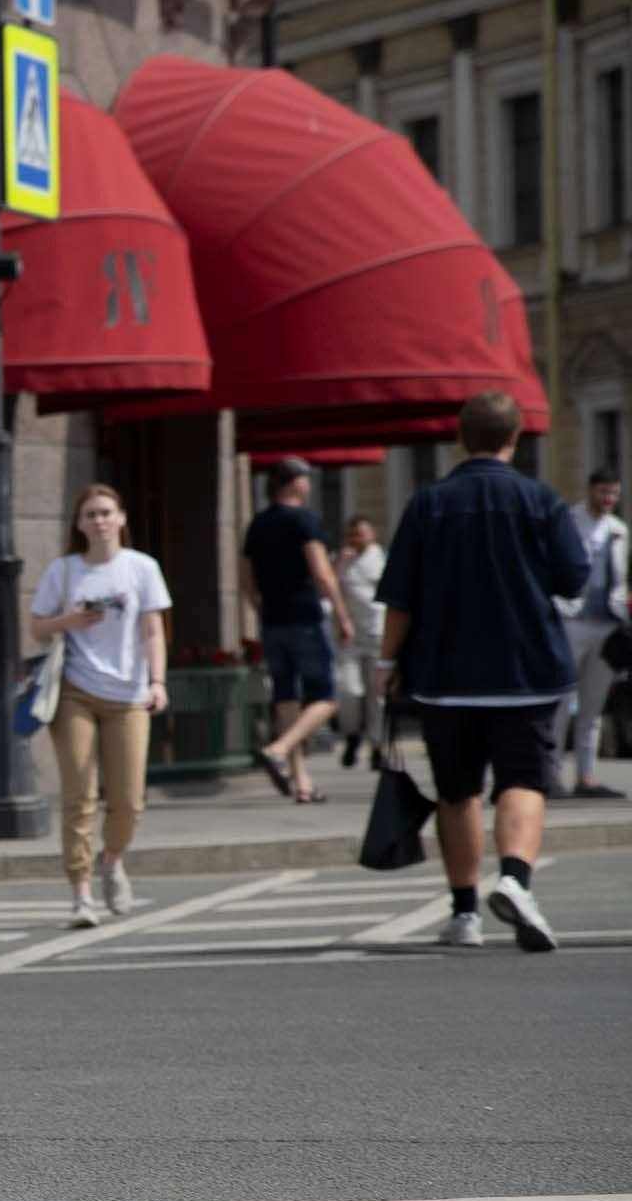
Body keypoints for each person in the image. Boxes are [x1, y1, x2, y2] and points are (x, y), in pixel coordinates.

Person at [375, 390, 590, 951]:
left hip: (445, 675)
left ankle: (465, 913)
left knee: (457, 791)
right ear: (515, 437)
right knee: (524, 780)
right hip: (527, 670)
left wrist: (386, 663)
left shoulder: (429, 503)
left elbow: (400, 598)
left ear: (460, 438)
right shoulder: (540, 499)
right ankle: (515, 880)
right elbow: (573, 578)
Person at [26, 484, 172, 928]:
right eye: (90, 514)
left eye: (107, 512)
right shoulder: (64, 570)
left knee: (128, 800)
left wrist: (158, 682)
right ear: (79, 524)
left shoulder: (141, 568)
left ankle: (112, 860)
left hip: (129, 696)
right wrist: (68, 621)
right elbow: (36, 627)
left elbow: (152, 630)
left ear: (121, 518)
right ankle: (81, 894)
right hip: (75, 691)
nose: (99, 521)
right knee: (79, 795)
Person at [243, 459, 358, 802]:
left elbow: (245, 578)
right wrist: (342, 616)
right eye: (306, 478)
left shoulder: (259, 523)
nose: (309, 484)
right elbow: (322, 573)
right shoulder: (303, 519)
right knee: (327, 697)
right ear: (293, 482)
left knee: (286, 698)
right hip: (305, 617)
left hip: (272, 620)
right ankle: (278, 750)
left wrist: (259, 608)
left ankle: (301, 783)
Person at [554, 468, 626, 799]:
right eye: (603, 492)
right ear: (589, 490)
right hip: (572, 620)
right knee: (561, 701)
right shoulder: (568, 522)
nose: (608, 499)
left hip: (607, 624)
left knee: (594, 706)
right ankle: (552, 774)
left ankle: (586, 776)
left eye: (614, 494)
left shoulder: (619, 530)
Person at [334, 515, 388, 769]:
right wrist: (340, 563)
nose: (355, 539)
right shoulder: (342, 560)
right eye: (351, 535)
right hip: (350, 636)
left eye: (360, 534)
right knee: (349, 690)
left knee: (377, 695)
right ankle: (352, 734)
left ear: (372, 534)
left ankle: (377, 746)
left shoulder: (382, 560)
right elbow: (329, 587)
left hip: (377, 633)